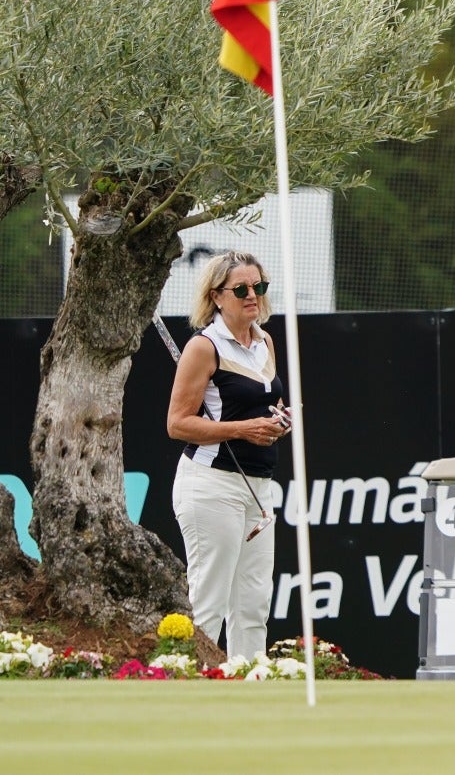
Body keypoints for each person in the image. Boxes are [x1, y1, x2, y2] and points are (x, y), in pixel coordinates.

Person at [166, 250, 291, 661]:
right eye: (241, 289)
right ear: (217, 296)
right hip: (210, 484)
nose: (252, 295)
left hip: (258, 487)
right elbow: (178, 423)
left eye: (259, 286)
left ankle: (250, 692)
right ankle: (193, 694)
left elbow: (261, 402)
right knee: (209, 601)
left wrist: (278, 420)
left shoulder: (264, 341)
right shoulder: (204, 347)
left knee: (254, 602)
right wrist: (244, 429)